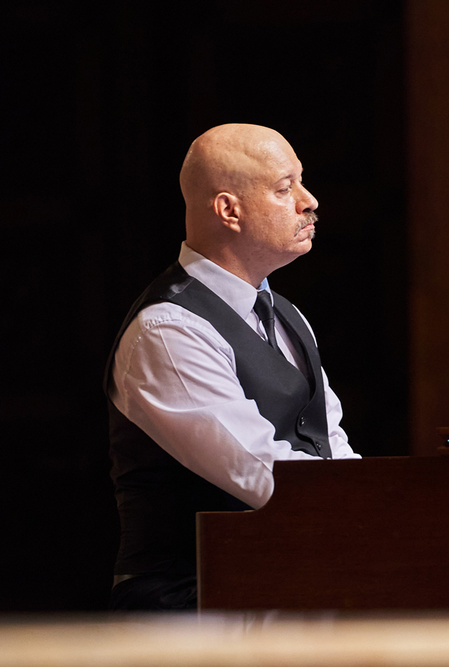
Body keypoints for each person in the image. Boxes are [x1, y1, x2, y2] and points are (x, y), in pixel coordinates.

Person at [105, 124, 359, 611]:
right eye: (286, 188)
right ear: (228, 210)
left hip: (282, 588)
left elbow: (332, 447)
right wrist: (386, 518)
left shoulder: (286, 314)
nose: (309, 201)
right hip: (192, 604)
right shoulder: (167, 329)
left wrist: (397, 514)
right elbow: (263, 473)